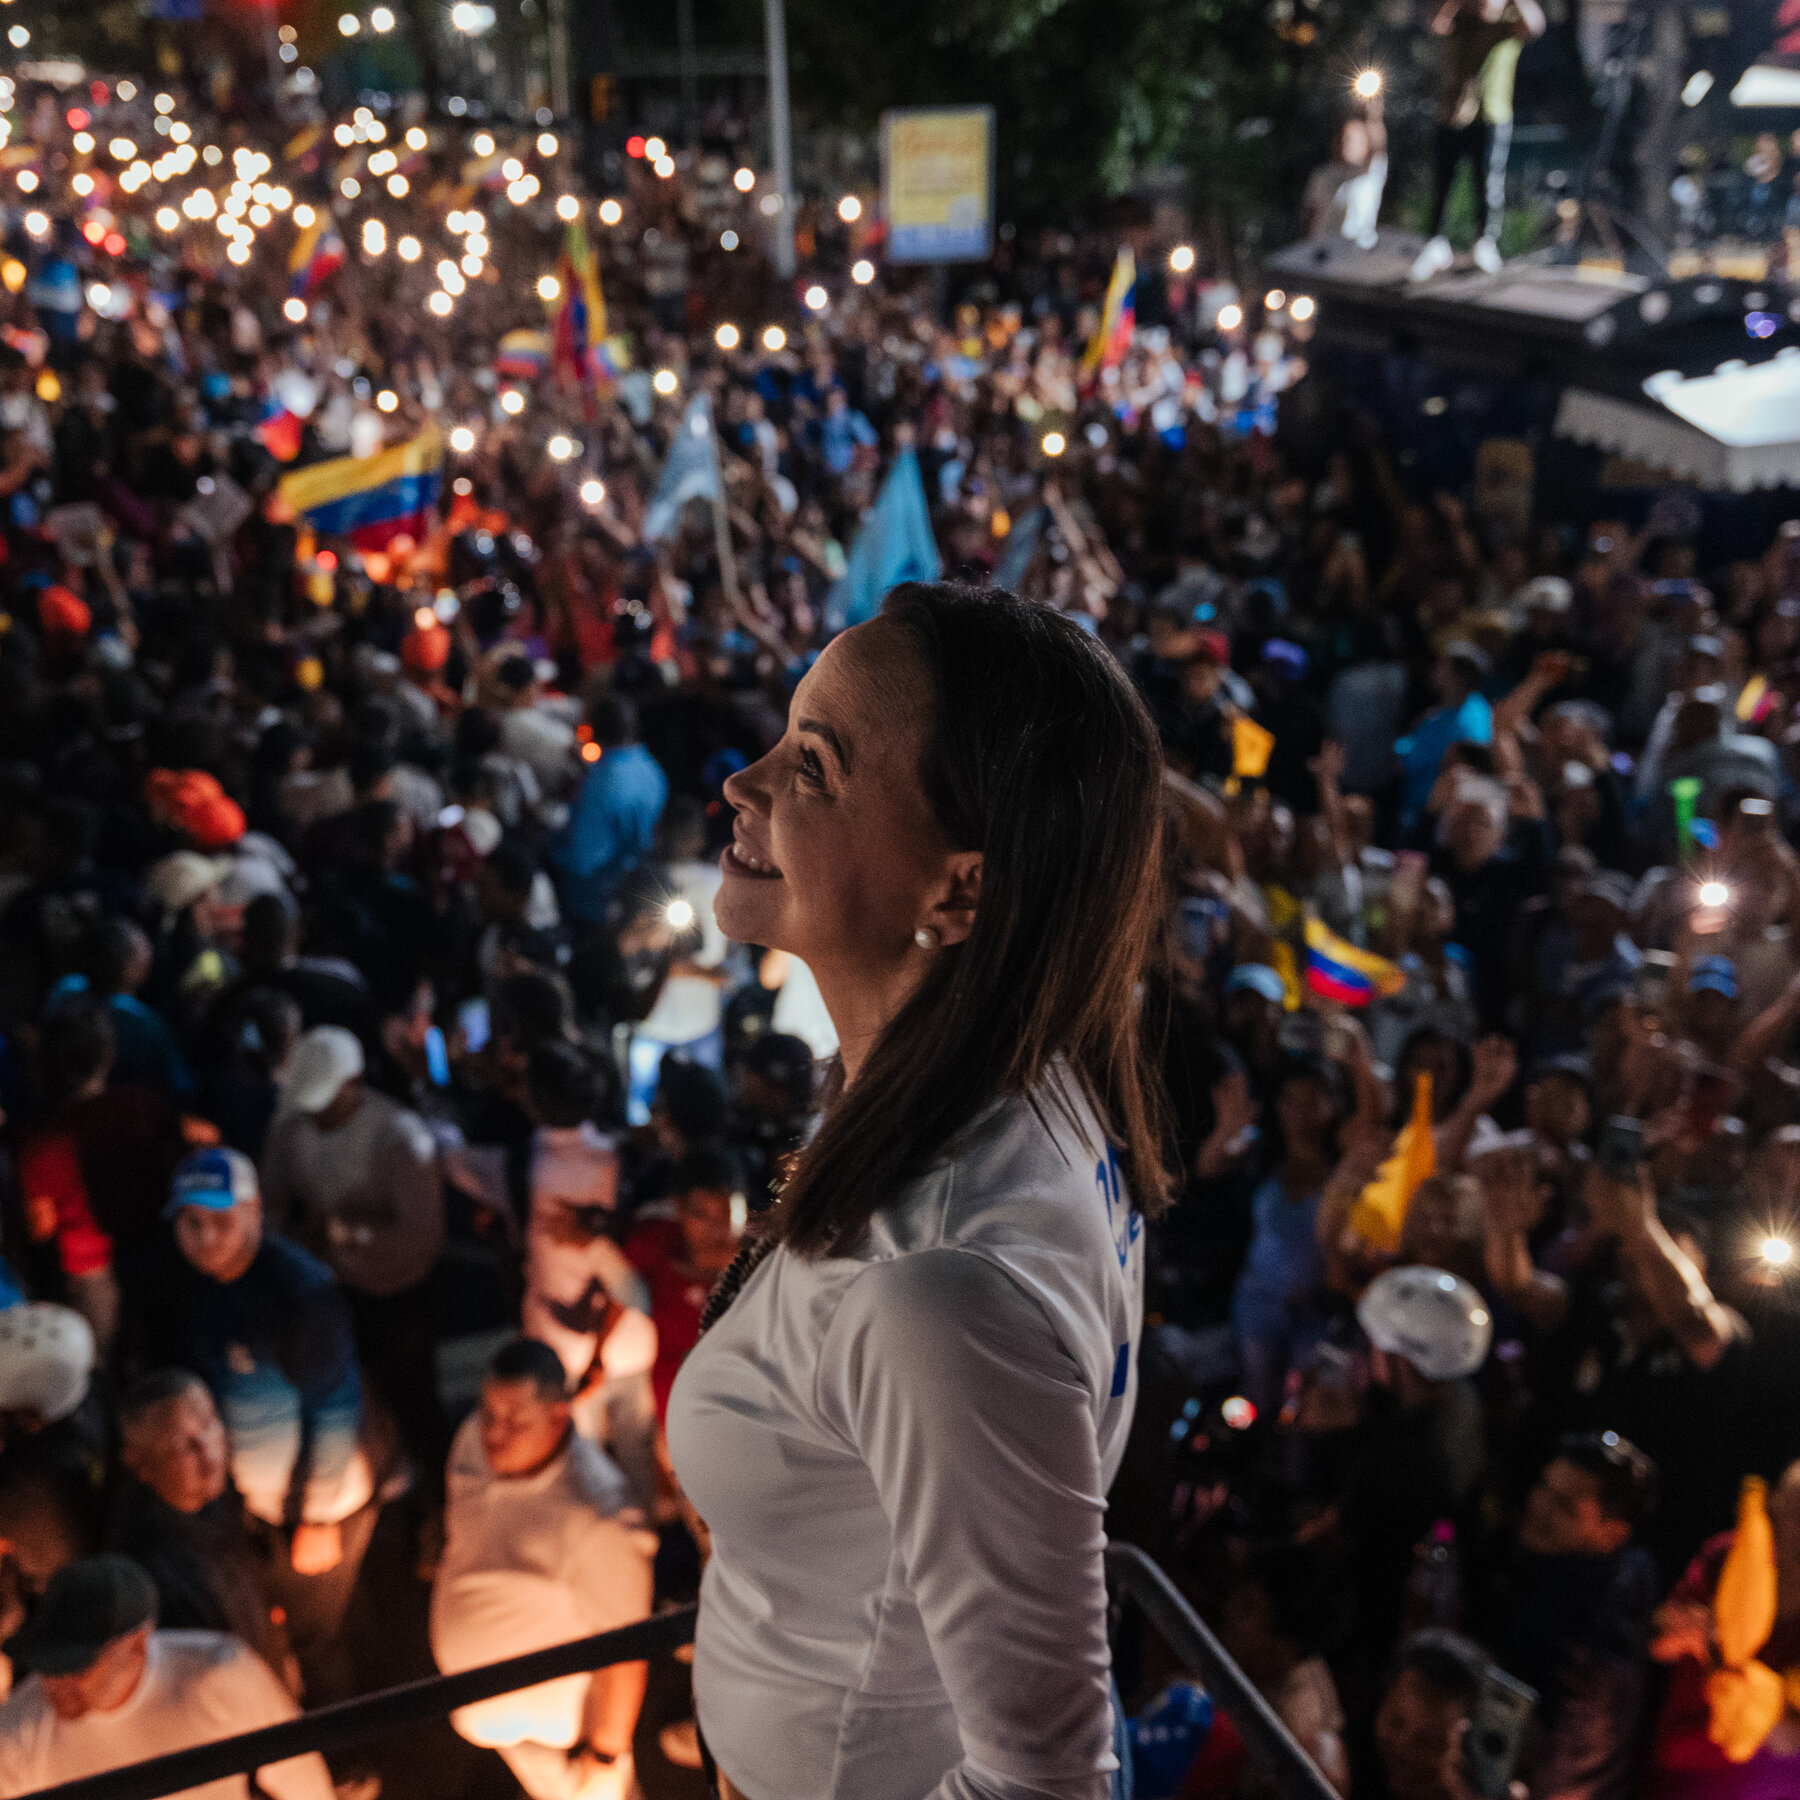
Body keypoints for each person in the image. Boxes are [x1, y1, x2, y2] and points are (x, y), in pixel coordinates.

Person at [666, 584, 1166, 1800]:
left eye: (816, 768)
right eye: (787, 734)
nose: (746, 780)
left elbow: (1046, 1785)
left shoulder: (936, 1294)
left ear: (960, 891)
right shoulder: (1004, 1067)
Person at [165, 1147, 375, 1701]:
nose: (206, 1236)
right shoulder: (200, 1286)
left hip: (315, 1503)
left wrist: (319, 1514)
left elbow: (334, 1406)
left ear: (255, 1209)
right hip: (258, 1498)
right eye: (192, 1222)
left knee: (316, 1635)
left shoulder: (298, 1292)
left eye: (222, 1219)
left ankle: (348, 1755)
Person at [431, 1338, 653, 1800]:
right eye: (488, 1413)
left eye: (515, 1420)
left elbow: (627, 1651)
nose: (493, 1434)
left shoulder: (598, 1517)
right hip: (500, 1724)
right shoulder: (473, 1439)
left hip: (569, 1741)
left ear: (558, 1416)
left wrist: (606, 1755)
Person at [258, 1025, 446, 1483]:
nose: (316, 1114)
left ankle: (434, 1485)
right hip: (324, 1291)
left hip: (395, 1294)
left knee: (411, 1392)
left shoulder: (399, 1138)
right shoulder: (291, 1128)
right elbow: (272, 1206)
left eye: (327, 1102)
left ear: (355, 1084)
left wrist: (341, 1239)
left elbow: (420, 1239)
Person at [0, 1554, 332, 1800]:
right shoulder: (18, 1733)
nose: (55, 1682)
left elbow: (299, 1777)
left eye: (78, 1667)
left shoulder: (219, 1674)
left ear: (137, 1646)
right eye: (49, 1664)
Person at [1491, 1433, 1660, 1800]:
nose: (1538, 1505)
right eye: (1543, 1487)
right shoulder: (1565, 1568)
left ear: (1611, 1533)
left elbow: (1560, 1778)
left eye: (1565, 1507)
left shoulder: (1595, 1655)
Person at [109, 1370, 296, 1691]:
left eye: (211, 1423)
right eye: (185, 1445)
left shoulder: (223, 1496)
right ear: (140, 1463)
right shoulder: (155, 1572)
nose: (210, 1453)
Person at [1411, 0, 1548, 281]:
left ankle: (1484, 243)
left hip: (1492, 115)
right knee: (1442, 182)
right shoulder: (1462, 20)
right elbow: (1436, 23)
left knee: (1487, 183)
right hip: (1452, 113)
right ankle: (1435, 241)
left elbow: (1536, 26)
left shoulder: (1509, 25)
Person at [551, 695, 669, 928]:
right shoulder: (652, 770)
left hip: (595, 896)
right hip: (637, 880)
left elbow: (584, 857)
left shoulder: (601, 783)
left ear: (595, 731)